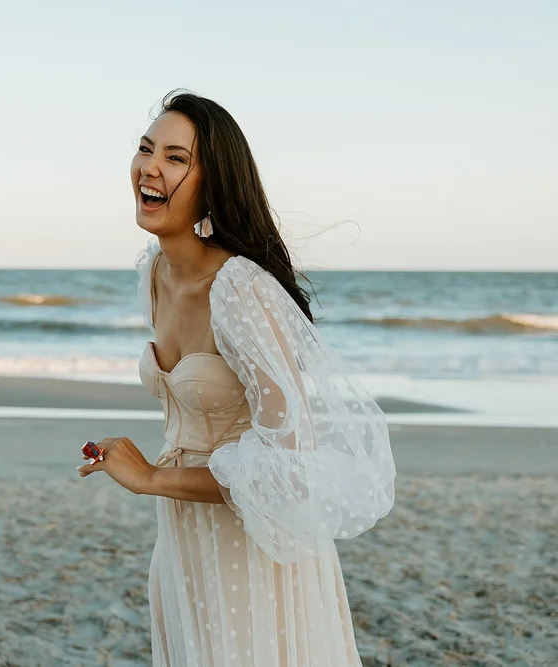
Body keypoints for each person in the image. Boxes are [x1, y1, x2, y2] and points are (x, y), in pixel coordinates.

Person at [78, 91, 397, 666]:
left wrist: (151, 476)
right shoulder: (153, 274)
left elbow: (288, 465)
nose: (150, 166)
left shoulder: (242, 291)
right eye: (146, 149)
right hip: (180, 537)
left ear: (212, 183)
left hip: (251, 549)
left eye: (176, 158)